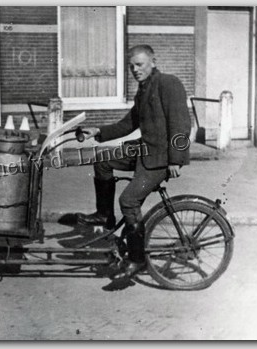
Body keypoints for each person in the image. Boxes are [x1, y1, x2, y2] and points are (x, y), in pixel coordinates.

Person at [77, 44, 191, 278]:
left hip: (160, 159)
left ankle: (137, 259)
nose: (135, 70)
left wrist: (176, 160)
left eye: (139, 65)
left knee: (128, 200)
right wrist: (98, 131)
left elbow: (181, 124)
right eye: (132, 66)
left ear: (153, 62)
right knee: (103, 160)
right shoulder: (143, 89)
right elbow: (128, 124)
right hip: (144, 151)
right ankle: (104, 214)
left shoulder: (168, 83)